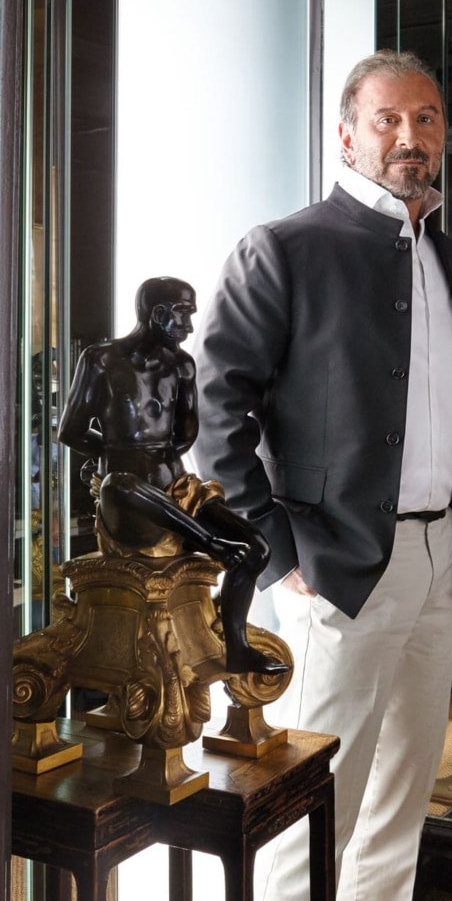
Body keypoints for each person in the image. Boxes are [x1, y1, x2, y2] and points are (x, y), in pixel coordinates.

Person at [192, 50, 452, 901]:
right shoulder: (285, 247)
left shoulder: (446, 251)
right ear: (347, 134)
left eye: (428, 120)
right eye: (389, 120)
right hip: (337, 571)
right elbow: (213, 416)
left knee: (399, 803)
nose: (411, 137)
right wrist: (274, 552)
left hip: (440, 564)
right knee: (313, 812)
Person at [56, 275, 290, 677]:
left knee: (258, 547)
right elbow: (70, 431)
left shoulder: (181, 365)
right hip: (127, 498)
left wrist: (157, 461)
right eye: (184, 316)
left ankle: (236, 646)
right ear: (159, 314)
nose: (190, 328)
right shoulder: (101, 360)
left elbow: (185, 435)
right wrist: (114, 452)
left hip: (177, 489)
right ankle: (209, 542)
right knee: (121, 483)